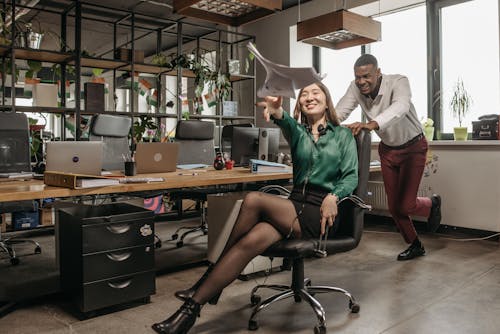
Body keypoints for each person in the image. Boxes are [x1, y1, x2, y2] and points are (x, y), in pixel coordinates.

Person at [151, 82, 359, 334]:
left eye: (316, 93)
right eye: (304, 94)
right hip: (293, 208)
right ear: (300, 104)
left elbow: (350, 177)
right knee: (250, 240)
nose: (309, 97)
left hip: (320, 213)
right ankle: (187, 314)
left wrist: (333, 197)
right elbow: (284, 120)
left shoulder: (343, 135)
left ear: (327, 101)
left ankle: (208, 278)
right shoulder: (298, 133)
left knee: (253, 199)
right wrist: (276, 111)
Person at [335, 54, 442, 261]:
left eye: (366, 76)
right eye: (358, 77)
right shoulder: (355, 87)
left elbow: (400, 107)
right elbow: (340, 111)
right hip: (388, 150)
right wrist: (320, 121)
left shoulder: (399, 81)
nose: (361, 81)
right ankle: (415, 244)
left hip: (414, 148)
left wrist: (371, 124)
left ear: (378, 72)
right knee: (394, 207)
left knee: (406, 206)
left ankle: (432, 204)